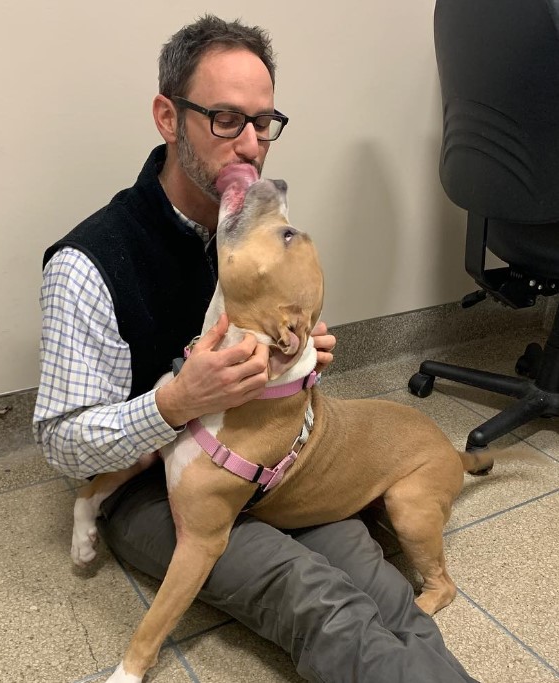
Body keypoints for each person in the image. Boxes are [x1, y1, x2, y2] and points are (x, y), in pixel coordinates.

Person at [33, 14, 478, 683]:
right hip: (149, 481)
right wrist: (176, 400)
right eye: (224, 118)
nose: (249, 145)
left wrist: (297, 368)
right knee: (314, 598)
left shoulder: (251, 226)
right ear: (167, 116)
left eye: (262, 123)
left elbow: (283, 346)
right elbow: (63, 443)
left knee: (378, 582)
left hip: (267, 463)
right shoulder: (88, 266)